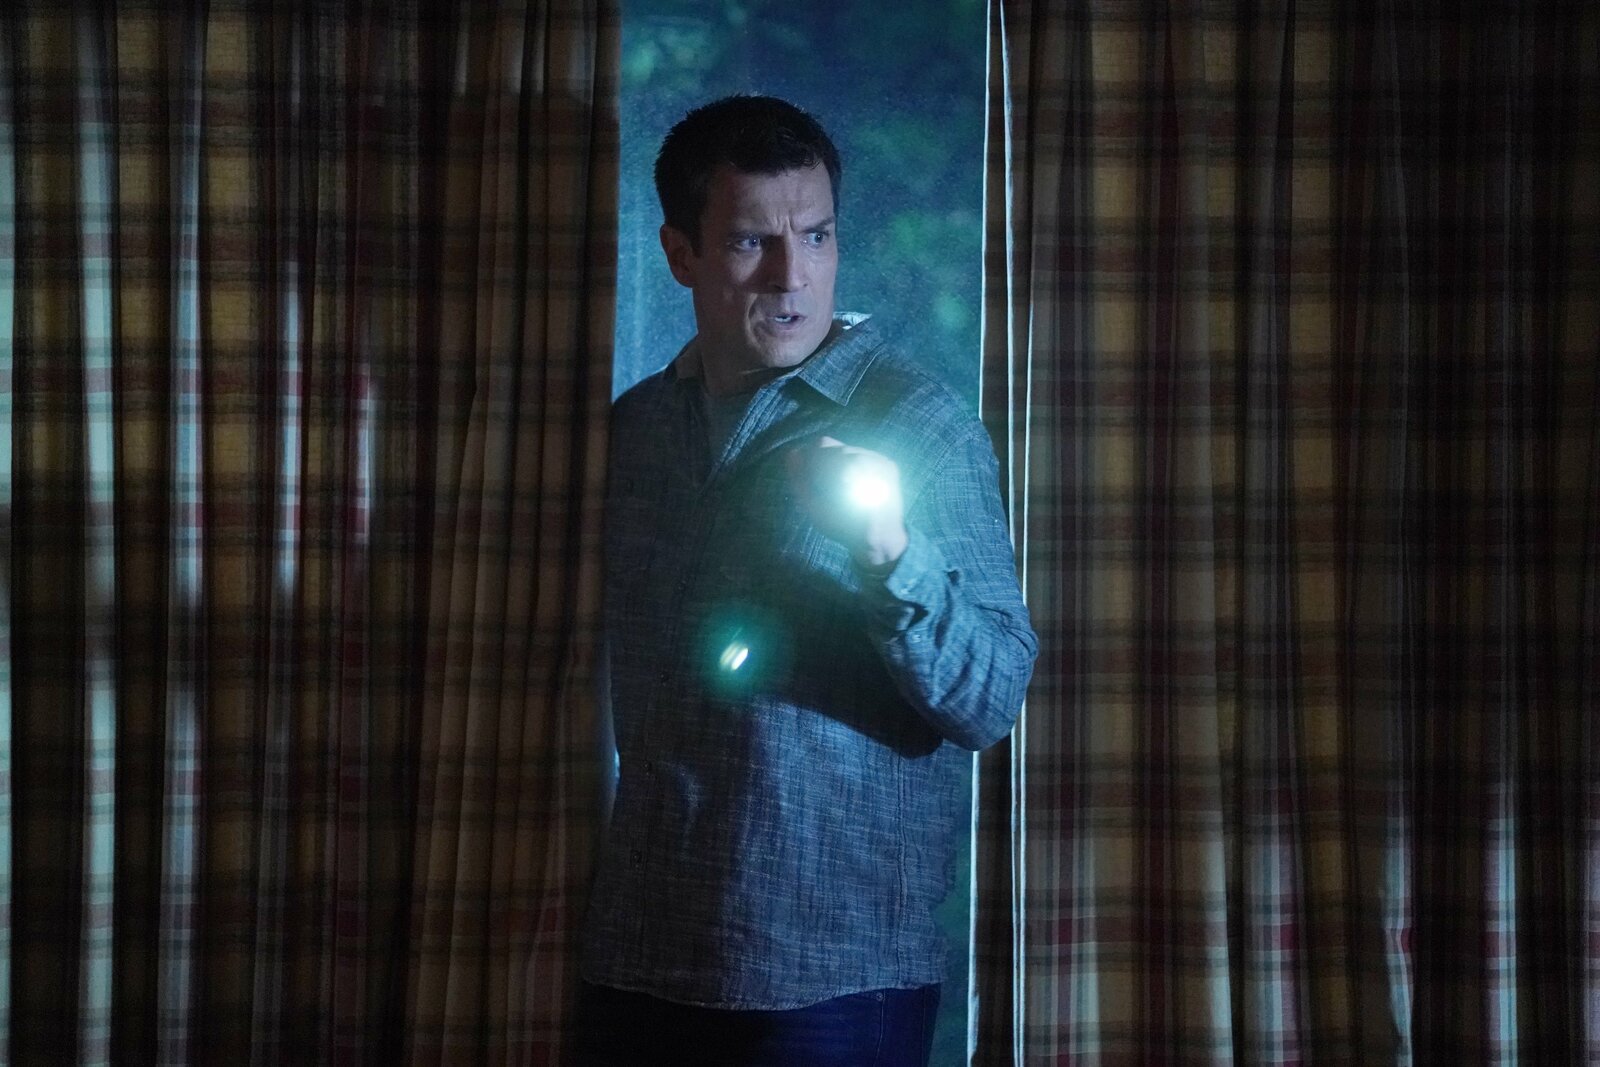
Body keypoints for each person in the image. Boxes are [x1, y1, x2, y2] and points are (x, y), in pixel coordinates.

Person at [575, 94, 1037, 1066]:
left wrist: (888, 552)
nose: (793, 277)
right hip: (638, 951)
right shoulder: (636, 432)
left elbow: (993, 696)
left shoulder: (919, 425)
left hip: (832, 975)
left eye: (817, 235)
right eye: (752, 242)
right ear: (681, 255)